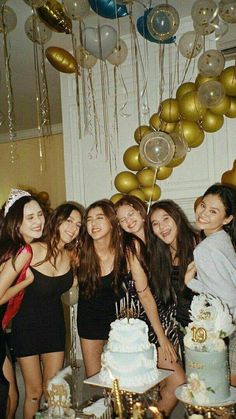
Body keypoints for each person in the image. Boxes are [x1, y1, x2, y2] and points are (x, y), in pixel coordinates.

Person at [11, 202, 84, 419]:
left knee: (54, 390)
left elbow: (74, 287)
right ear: (57, 220)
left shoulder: (72, 257)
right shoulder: (31, 250)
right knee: (33, 392)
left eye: (79, 225)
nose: (73, 227)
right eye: (69, 220)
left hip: (54, 327)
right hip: (26, 327)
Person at [115, 196, 185, 417]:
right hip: (147, 322)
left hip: (165, 317)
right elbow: (144, 295)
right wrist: (161, 337)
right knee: (177, 383)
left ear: (140, 211)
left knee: (160, 385)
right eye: (122, 219)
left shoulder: (156, 240)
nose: (128, 221)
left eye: (131, 214)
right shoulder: (131, 245)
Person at [184, 183, 236, 386]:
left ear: (227, 218)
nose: (203, 213)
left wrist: (191, 283)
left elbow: (227, 298)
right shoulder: (223, 239)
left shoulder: (206, 248)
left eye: (213, 211)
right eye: (203, 205)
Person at [0, 189, 45, 418]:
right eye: (30, 217)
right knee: (7, 397)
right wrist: (26, 282)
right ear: (16, 223)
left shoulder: (11, 246)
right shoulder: (23, 250)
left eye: (39, 214)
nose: (38, 221)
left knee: (11, 396)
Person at [77, 200, 126, 378]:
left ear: (112, 223)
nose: (93, 223)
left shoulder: (124, 252)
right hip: (89, 320)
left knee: (122, 376)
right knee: (94, 377)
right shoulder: (78, 254)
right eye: (89, 219)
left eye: (99, 218)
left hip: (120, 321)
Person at [149, 199, 200, 366]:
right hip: (180, 329)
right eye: (155, 224)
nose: (162, 227)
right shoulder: (160, 255)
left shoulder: (199, 246)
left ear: (176, 218)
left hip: (206, 328)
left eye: (166, 219)